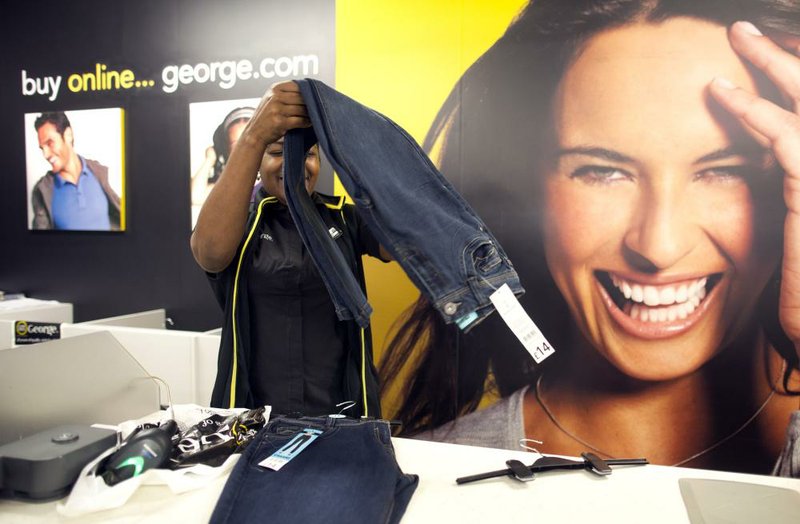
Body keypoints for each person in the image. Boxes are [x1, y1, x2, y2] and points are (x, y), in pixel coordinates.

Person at [380, 0, 800, 475]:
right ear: (528, 188)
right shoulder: (432, 476)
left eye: (726, 171)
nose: (658, 247)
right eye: (603, 171)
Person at [191, 81, 391, 417]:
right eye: (277, 152)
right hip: (255, 416)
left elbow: (404, 244)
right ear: (256, 160)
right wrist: (253, 135)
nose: (295, 163)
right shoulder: (243, 224)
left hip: (338, 414)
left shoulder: (344, 218)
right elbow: (209, 252)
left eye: (307, 153)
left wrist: (356, 141)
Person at [31, 111, 121, 230]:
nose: (45, 154)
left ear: (68, 135)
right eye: (42, 148)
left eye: (50, 143)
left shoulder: (101, 172)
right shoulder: (42, 191)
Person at [191, 106, 254, 209]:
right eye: (236, 144)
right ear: (227, 150)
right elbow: (196, 196)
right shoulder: (229, 184)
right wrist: (209, 160)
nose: (244, 148)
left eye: (249, 140)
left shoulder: (272, 175)